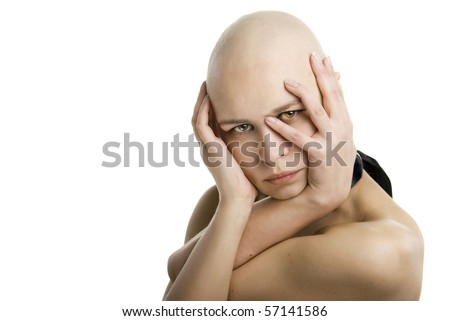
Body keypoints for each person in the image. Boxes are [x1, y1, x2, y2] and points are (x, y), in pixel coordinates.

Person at [163, 11, 423, 300]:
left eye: (289, 114)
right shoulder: (227, 200)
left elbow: (184, 300)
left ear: (331, 96)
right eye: (241, 127)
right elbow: (178, 271)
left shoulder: (386, 251)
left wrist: (232, 216)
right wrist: (306, 201)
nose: (272, 155)